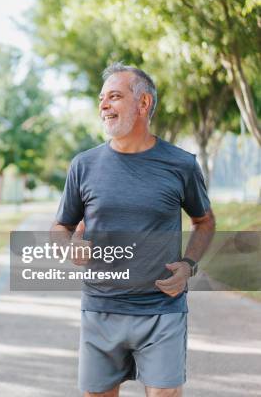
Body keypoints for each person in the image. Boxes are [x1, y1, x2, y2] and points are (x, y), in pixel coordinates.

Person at [52, 62, 215, 397]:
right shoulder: (84, 165)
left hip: (162, 309)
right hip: (101, 307)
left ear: (143, 104)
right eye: (101, 99)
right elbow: (61, 226)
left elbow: (205, 221)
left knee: (165, 394)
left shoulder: (181, 164)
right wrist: (70, 246)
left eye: (114, 96)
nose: (104, 105)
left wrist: (188, 266)